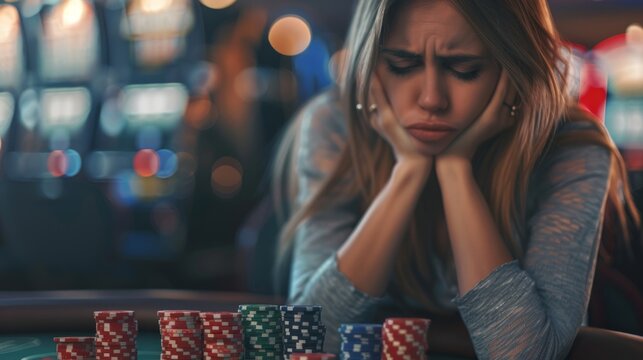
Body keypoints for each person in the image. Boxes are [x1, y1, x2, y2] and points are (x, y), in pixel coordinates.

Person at [271, 0, 641, 358]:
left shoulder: (571, 147)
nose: (431, 98)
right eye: (402, 65)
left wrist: (454, 170)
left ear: (514, 69)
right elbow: (308, 339)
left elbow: (525, 352)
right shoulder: (334, 126)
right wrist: (408, 172)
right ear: (371, 66)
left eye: (465, 69)